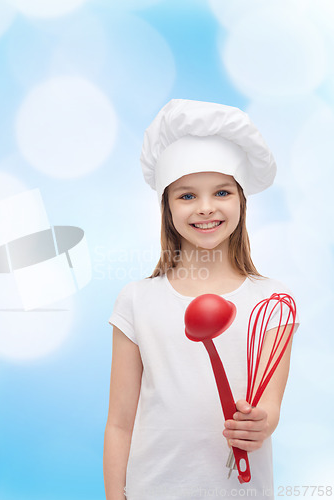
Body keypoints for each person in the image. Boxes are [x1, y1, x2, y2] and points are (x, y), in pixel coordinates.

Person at [103, 99, 301, 500]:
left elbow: (271, 405)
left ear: (241, 201)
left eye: (222, 191)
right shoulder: (137, 300)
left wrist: (260, 423)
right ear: (167, 207)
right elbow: (120, 423)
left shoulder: (273, 302)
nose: (206, 208)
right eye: (187, 195)